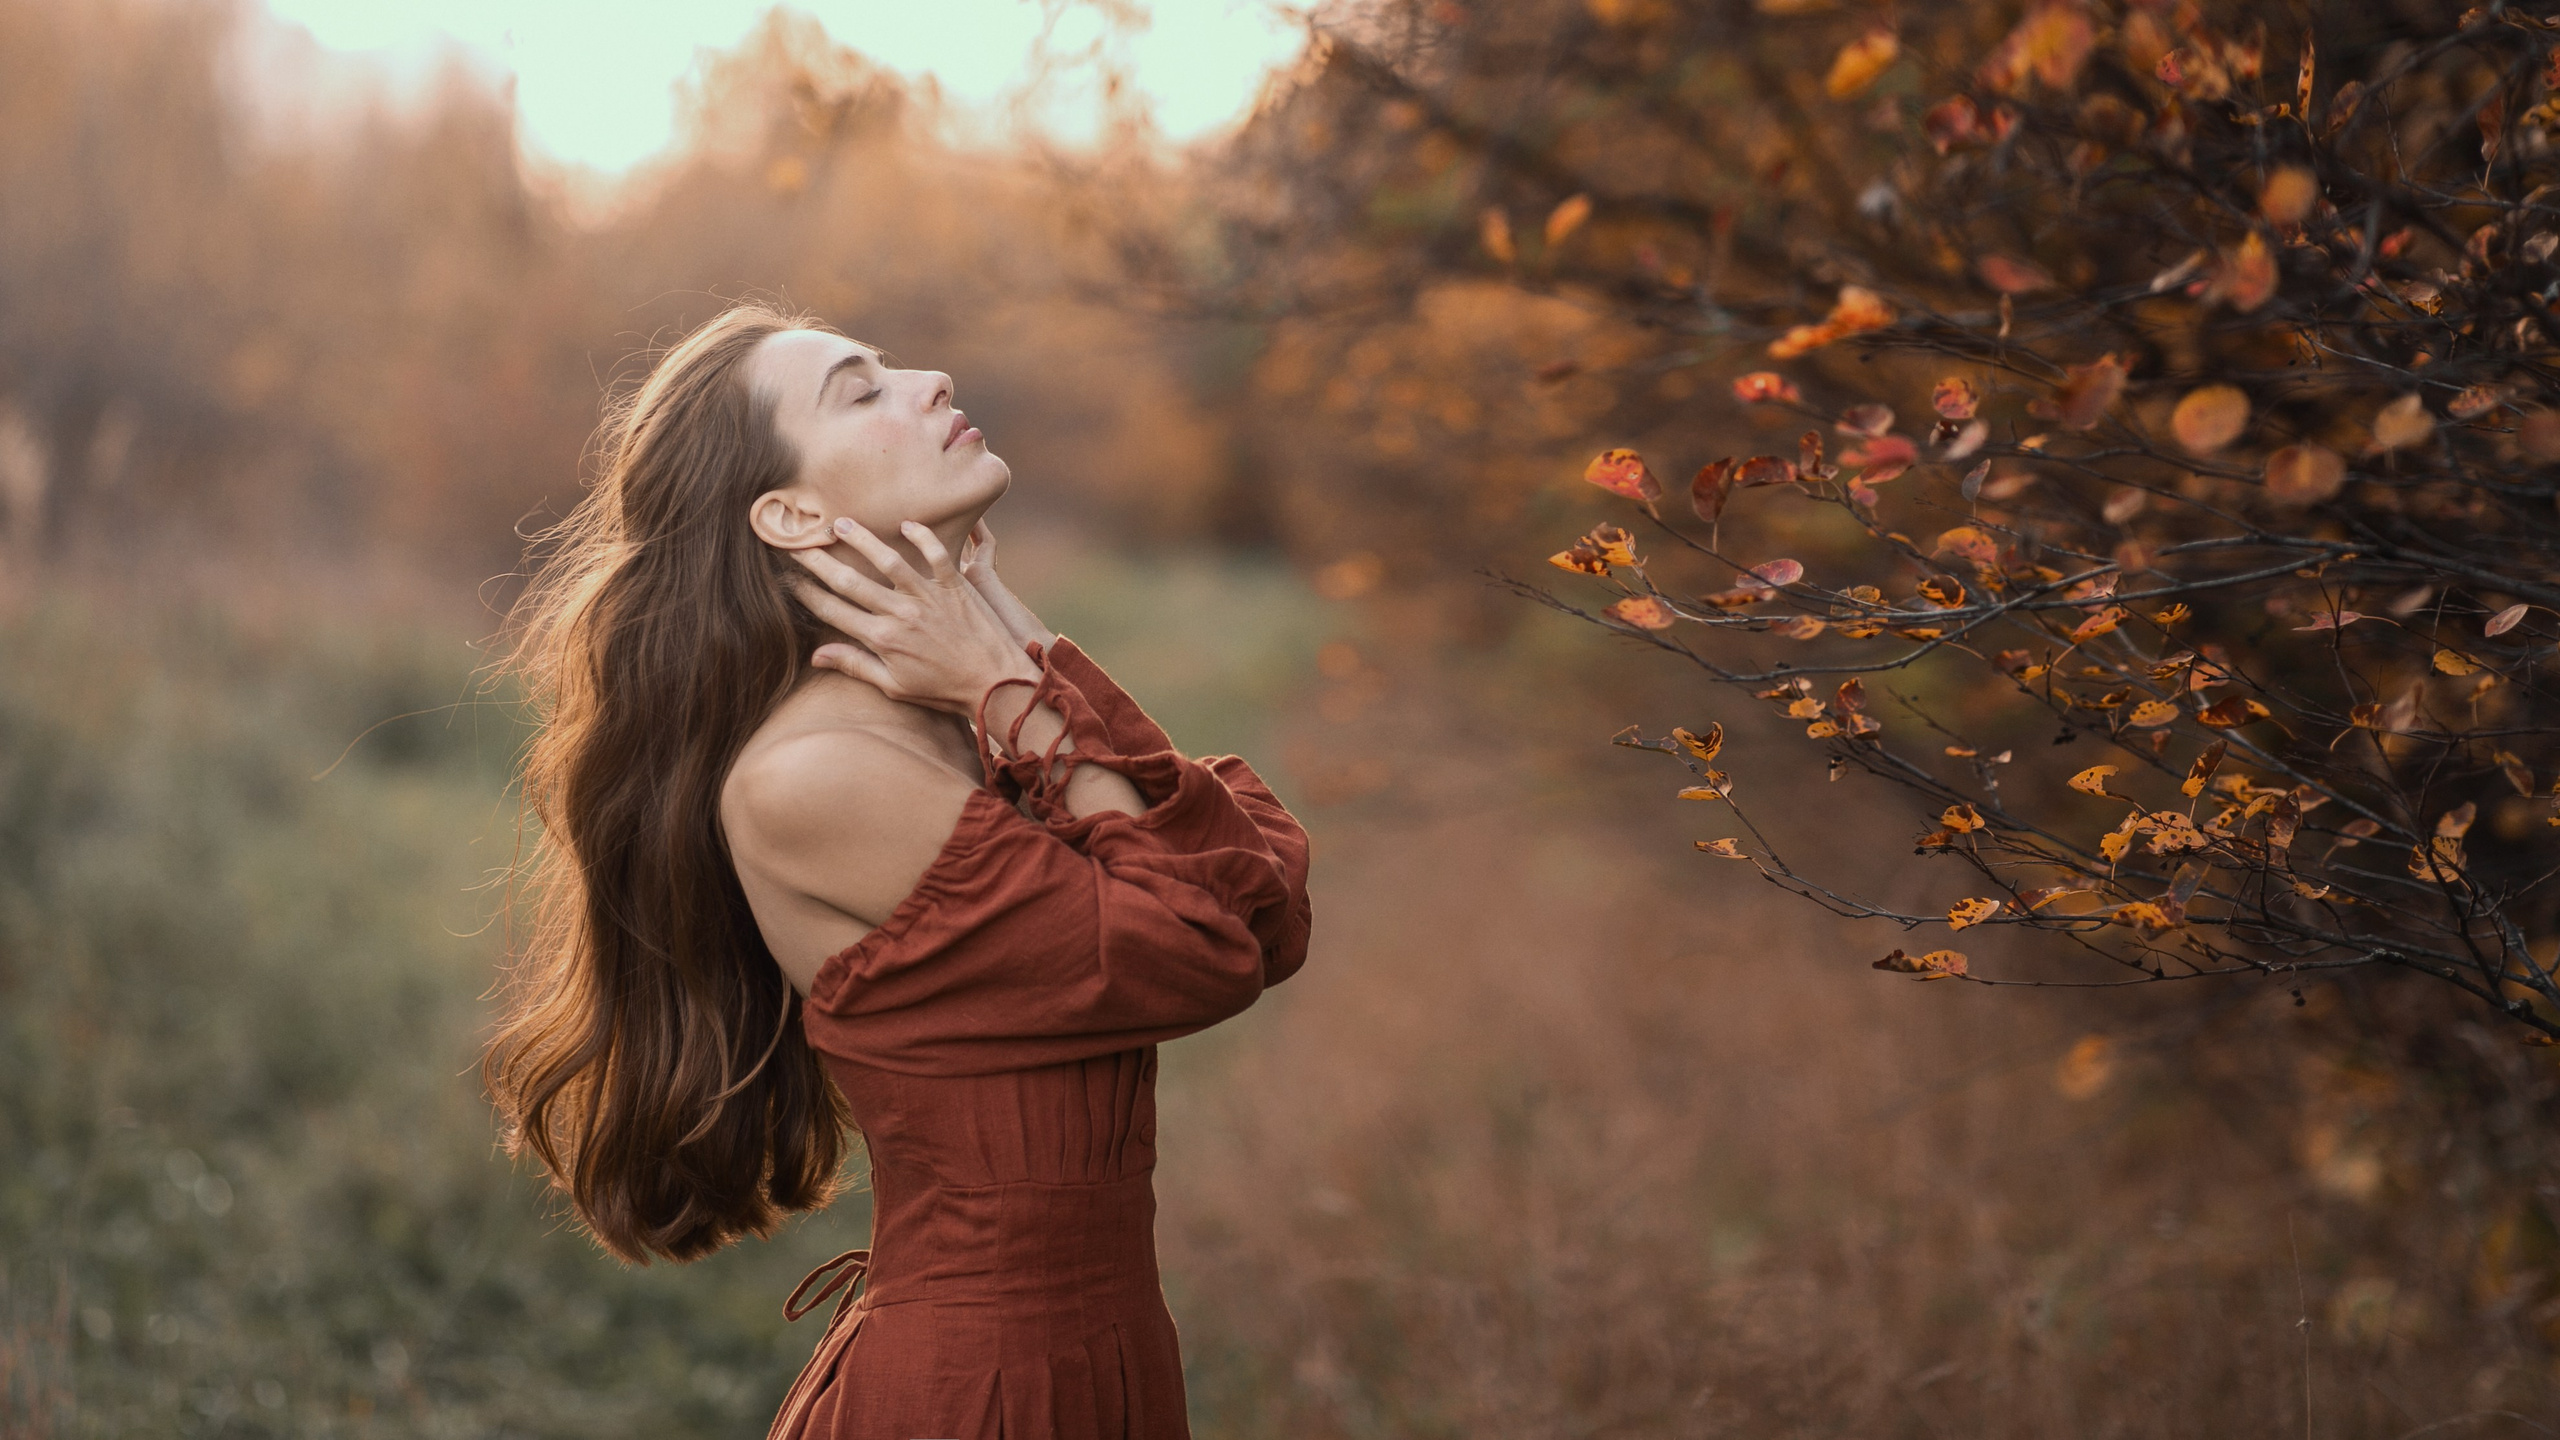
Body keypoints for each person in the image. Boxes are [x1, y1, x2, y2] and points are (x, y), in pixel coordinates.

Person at [483, 302, 1313, 1440]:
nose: (930, 379)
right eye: (860, 390)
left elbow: (1252, 902)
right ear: (789, 514)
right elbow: (1200, 952)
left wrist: (997, 641)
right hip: (980, 1394)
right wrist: (1002, 680)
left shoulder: (947, 716)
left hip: (1102, 1360)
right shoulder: (816, 775)